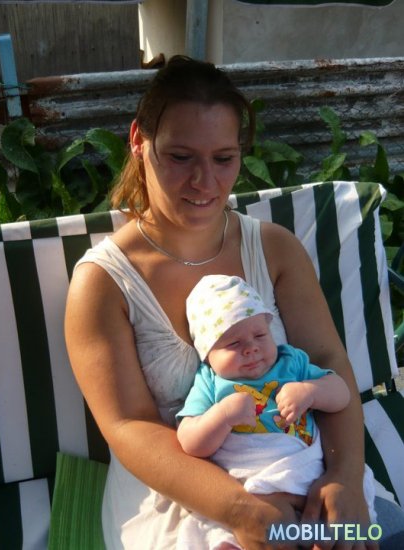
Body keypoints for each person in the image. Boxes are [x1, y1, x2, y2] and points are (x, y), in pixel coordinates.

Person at [64, 55, 404, 550]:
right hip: (183, 494)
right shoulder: (104, 282)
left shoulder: (274, 249)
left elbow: (327, 361)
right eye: (181, 157)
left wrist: (345, 476)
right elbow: (128, 425)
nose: (205, 182)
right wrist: (238, 509)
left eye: (223, 158)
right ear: (138, 141)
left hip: (298, 465)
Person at [176, 274, 376, 548]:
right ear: (208, 353)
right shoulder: (210, 381)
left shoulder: (290, 361)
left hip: (306, 470)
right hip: (252, 482)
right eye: (233, 344)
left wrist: (311, 391)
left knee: (343, 520)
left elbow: (342, 394)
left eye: (260, 335)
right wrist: (222, 416)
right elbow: (189, 441)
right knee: (218, 533)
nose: (251, 348)